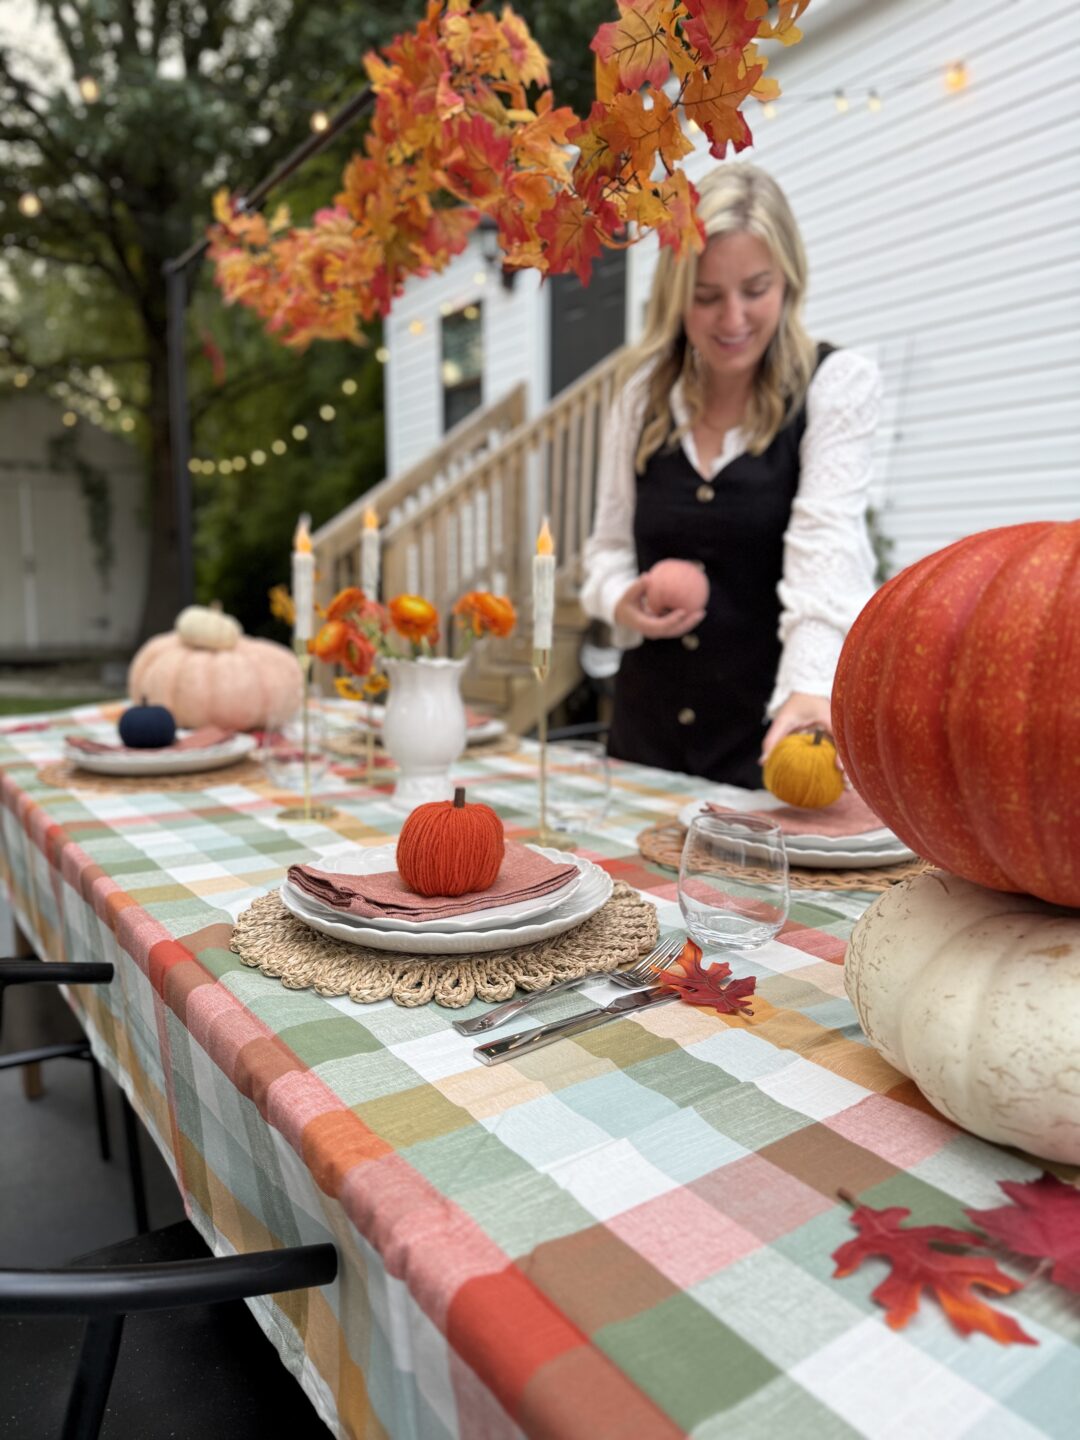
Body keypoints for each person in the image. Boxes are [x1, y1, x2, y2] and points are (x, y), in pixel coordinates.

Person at [581, 163, 881, 788]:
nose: (733, 319)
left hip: (769, 749)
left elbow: (826, 550)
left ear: (789, 282)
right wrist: (621, 599)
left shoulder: (835, 385)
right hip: (644, 747)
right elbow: (607, 549)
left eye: (755, 288)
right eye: (707, 295)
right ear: (675, 291)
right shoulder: (641, 396)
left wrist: (808, 688)